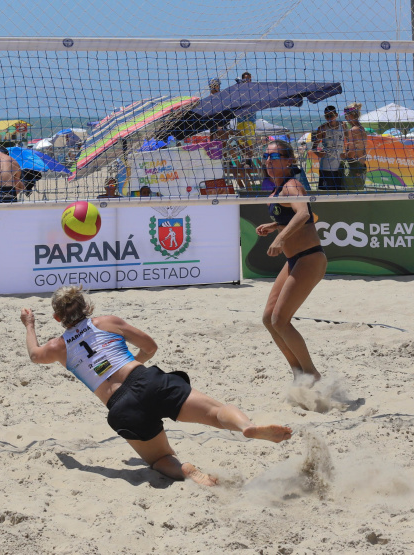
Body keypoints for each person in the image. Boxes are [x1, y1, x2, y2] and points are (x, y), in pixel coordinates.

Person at [20, 285, 292, 486]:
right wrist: (134, 363)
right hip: (146, 380)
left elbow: (34, 355)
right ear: (86, 306)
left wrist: (30, 324)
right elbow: (150, 347)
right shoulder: (107, 322)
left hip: (120, 407)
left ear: (57, 319)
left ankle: (187, 470)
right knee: (217, 413)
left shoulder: (58, 347)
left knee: (160, 459)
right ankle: (246, 427)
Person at [256, 140, 327, 383]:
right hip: (294, 259)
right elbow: (295, 217)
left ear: (289, 161)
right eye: (265, 156)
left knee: (280, 320)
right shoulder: (275, 191)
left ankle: (312, 374)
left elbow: (305, 213)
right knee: (269, 319)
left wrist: (280, 238)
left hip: (310, 257)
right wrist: (275, 226)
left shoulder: (292, 185)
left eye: (274, 157)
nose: (268, 161)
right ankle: (299, 373)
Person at [311, 105, 345, 190]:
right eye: (327, 116)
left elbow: (348, 141)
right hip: (327, 166)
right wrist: (318, 153)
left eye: (331, 115)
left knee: (340, 192)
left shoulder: (343, 125)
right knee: (326, 192)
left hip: (340, 165)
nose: (329, 118)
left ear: (336, 115)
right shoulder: (322, 128)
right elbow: (314, 147)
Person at [342, 103, 368, 190]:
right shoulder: (361, 128)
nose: (345, 118)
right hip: (361, 165)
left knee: (350, 195)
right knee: (358, 194)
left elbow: (352, 152)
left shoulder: (354, 130)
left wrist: (343, 156)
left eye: (346, 115)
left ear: (352, 115)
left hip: (354, 166)